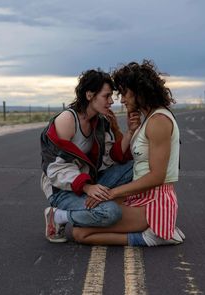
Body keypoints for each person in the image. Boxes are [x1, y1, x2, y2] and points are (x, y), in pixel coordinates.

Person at [70, 60, 185, 246]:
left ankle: (150, 237)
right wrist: (128, 130)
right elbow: (134, 160)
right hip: (141, 196)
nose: (121, 100)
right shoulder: (149, 119)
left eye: (124, 93)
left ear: (139, 92)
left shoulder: (159, 121)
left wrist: (113, 192)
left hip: (153, 202)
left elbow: (157, 176)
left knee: (80, 232)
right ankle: (155, 231)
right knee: (85, 217)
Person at [40, 69, 140, 242]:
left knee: (136, 166)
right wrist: (87, 188)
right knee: (111, 212)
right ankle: (57, 216)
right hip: (61, 188)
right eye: (106, 96)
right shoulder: (67, 120)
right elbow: (55, 167)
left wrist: (130, 133)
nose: (111, 102)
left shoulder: (100, 122)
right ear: (89, 95)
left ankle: (91, 209)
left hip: (89, 181)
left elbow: (111, 157)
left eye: (112, 97)